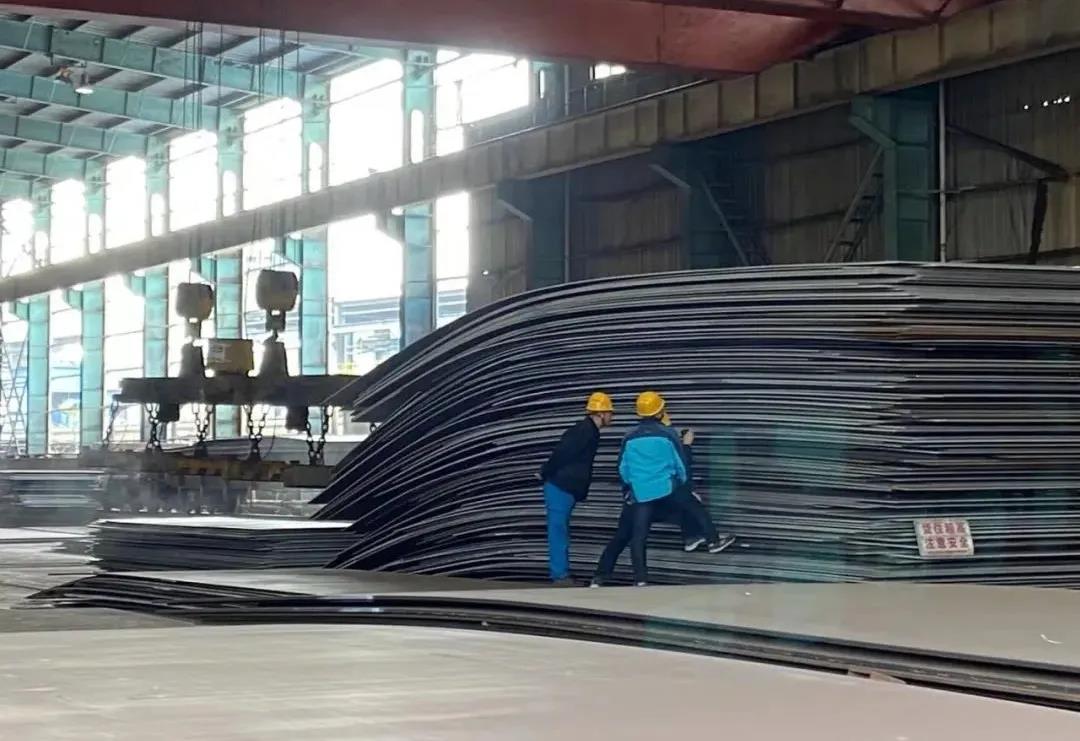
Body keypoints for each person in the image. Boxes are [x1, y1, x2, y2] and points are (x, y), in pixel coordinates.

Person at [592, 391, 731, 587]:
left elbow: (623, 468)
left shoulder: (629, 437)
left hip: (641, 493)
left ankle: (641, 579)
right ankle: (712, 540)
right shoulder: (667, 434)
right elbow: (680, 464)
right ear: (659, 412)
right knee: (694, 505)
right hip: (666, 487)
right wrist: (684, 484)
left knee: (638, 537)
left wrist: (631, 487)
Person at [539, 391, 614, 585]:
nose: (611, 416)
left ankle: (561, 573)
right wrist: (545, 472)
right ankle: (559, 575)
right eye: (609, 412)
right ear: (601, 413)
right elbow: (562, 453)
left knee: (560, 529)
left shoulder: (588, 431)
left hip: (564, 486)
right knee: (558, 530)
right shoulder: (584, 431)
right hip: (560, 486)